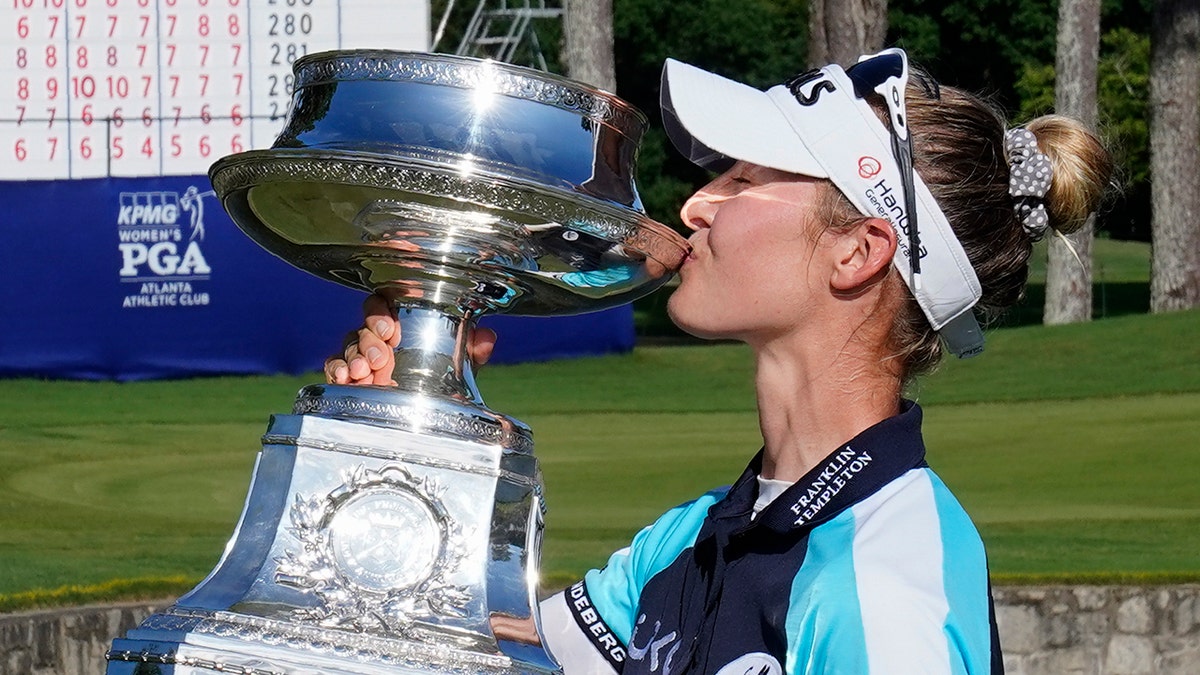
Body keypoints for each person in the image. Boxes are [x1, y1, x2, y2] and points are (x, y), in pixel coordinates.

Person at [326, 48, 1111, 674]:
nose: (697, 206)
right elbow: (466, 653)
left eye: (743, 179)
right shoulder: (696, 534)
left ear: (859, 251)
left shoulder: (883, 588)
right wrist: (415, 431)